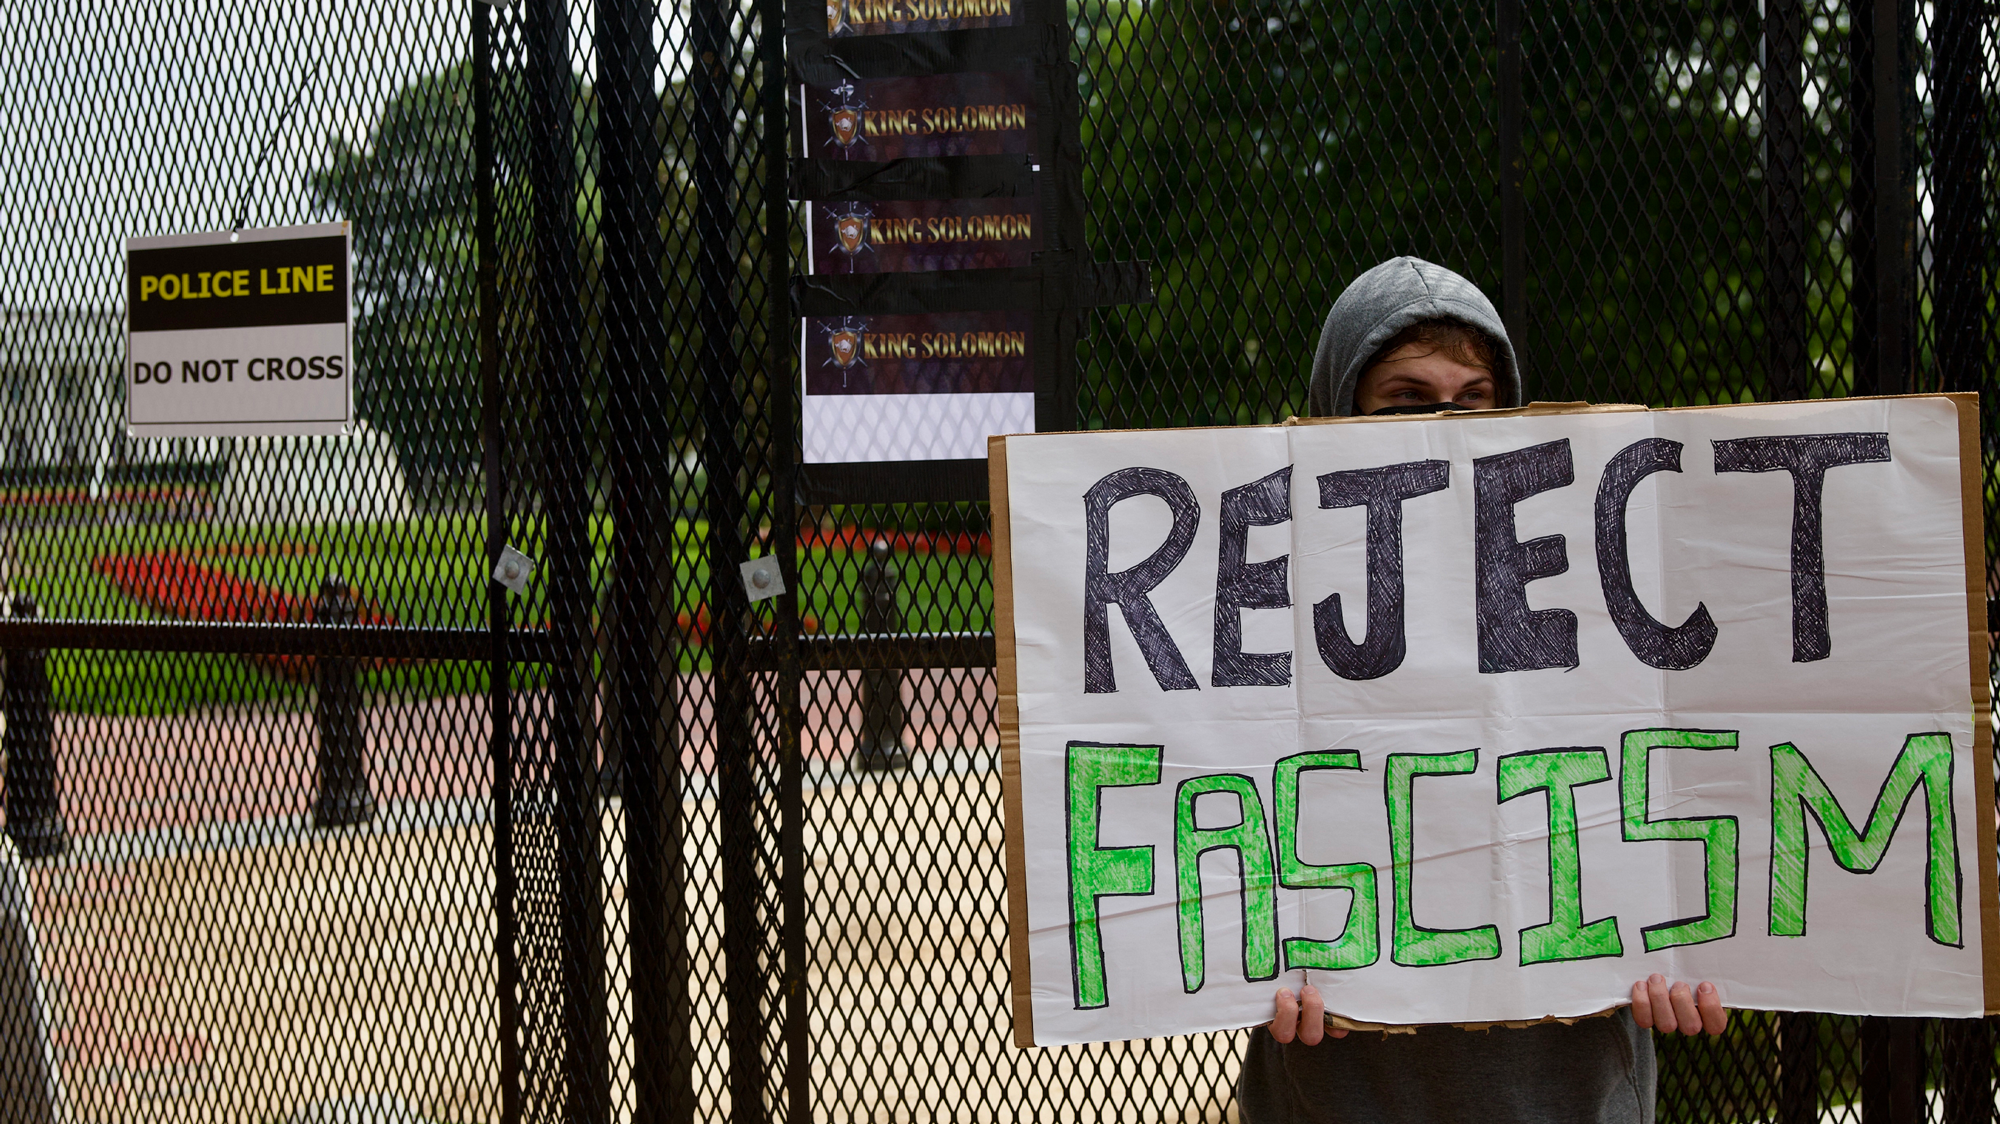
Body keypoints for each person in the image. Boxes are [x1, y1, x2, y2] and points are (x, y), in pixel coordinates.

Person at [1236, 257, 1725, 1124]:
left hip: (1569, 1092)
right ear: (1338, 412)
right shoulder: (1259, 603)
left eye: (1474, 400)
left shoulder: (1599, 588)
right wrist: (1258, 967)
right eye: (1407, 400)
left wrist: (1694, 949)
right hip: (1344, 1091)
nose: (1446, 425)